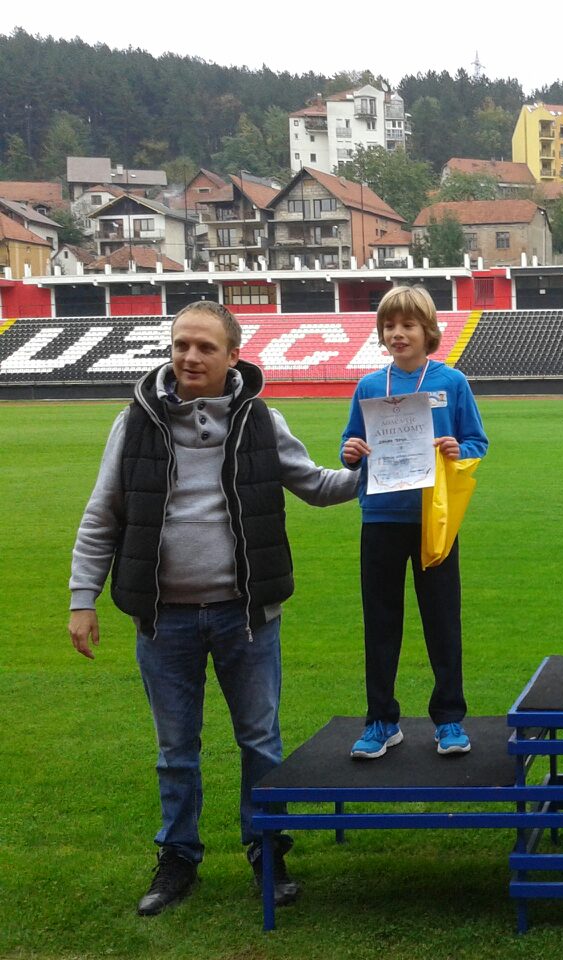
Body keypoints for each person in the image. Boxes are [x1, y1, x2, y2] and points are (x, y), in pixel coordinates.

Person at [68, 301, 359, 916]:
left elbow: (316, 485)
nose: (190, 357)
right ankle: (178, 859)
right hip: (162, 619)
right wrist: (82, 599)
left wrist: (381, 465)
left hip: (246, 617)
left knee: (261, 743)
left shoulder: (262, 421)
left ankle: (267, 851)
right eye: (181, 345)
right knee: (175, 752)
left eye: (205, 347)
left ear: (233, 356)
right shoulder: (134, 422)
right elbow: (103, 514)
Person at [341, 286, 488, 759]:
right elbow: (350, 443)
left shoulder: (452, 382)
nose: (397, 334)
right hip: (380, 516)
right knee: (380, 623)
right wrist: (350, 452)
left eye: (407, 325)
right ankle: (381, 720)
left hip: (434, 520)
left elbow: (477, 442)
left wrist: (458, 449)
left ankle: (449, 719)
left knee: (442, 621)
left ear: (428, 331)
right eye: (389, 326)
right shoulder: (369, 386)